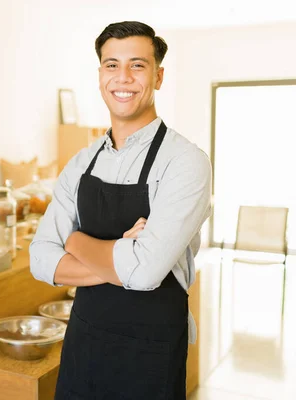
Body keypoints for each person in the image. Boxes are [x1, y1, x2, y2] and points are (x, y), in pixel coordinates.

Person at [29, 21, 212, 399]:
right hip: (84, 341)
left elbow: (144, 274)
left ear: (158, 76)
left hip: (150, 350)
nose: (123, 77)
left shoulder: (185, 162)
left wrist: (76, 241)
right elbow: (41, 259)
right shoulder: (81, 163)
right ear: (100, 75)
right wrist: (117, 255)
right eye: (112, 65)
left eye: (137, 65)